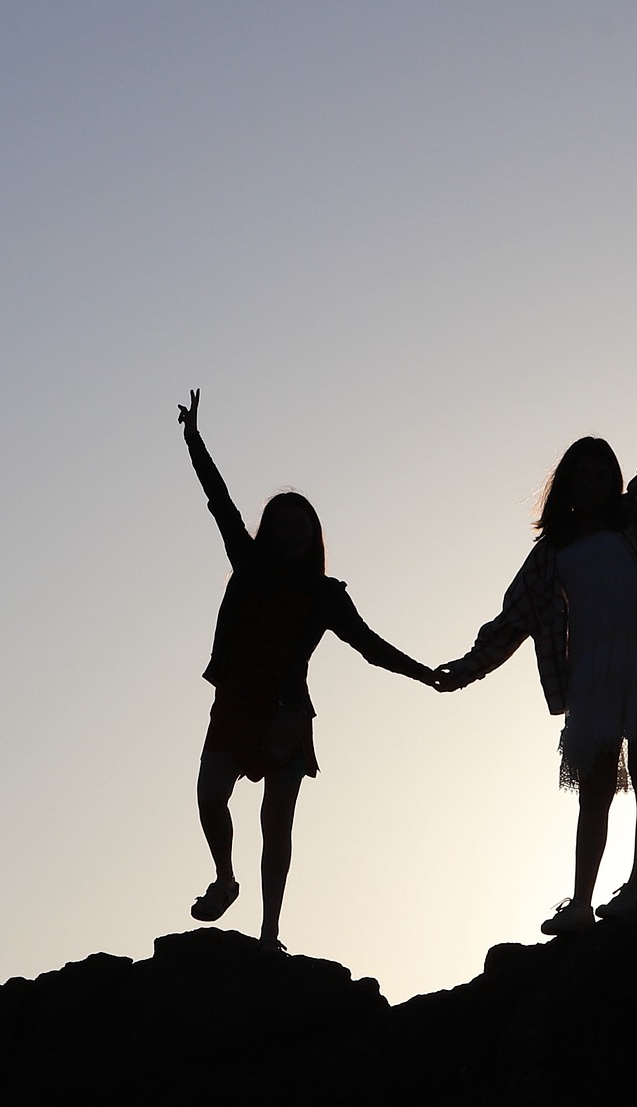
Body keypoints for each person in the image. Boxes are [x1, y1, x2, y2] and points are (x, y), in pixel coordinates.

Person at [436, 348, 637, 935]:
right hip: (592, 671)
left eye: (602, 473)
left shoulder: (635, 516)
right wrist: (466, 668)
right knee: (593, 790)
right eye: (582, 474)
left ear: (614, 480)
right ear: (566, 483)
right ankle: (579, 903)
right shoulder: (552, 553)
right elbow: (511, 621)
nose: (593, 482)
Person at [178, 389, 437, 950]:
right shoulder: (247, 565)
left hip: (286, 714)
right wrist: (194, 440)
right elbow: (220, 502)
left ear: (314, 536)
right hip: (235, 704)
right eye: (282, 524)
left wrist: (425, 673)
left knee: (277, 823)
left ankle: (270, 932)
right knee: (208, 794)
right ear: (269, 531)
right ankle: (225, 879)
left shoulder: (325, 595)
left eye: (303, 526)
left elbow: (371, 647)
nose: (292, 533)